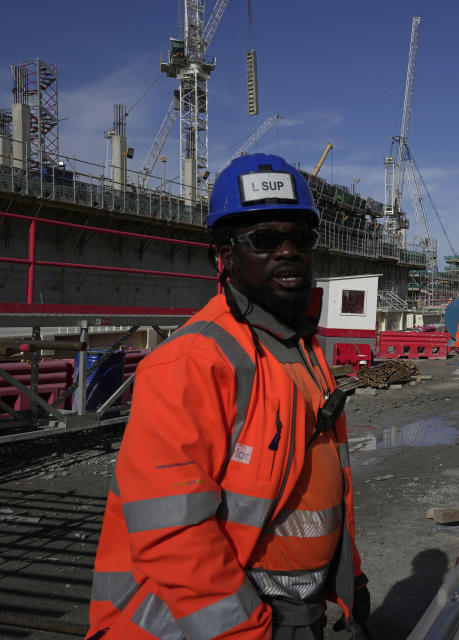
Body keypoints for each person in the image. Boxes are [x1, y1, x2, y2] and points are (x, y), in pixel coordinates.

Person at [86, 154, 369, 639]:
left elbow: (325, 484)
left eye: (298, 238)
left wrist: (349, 577)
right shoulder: (194, 362)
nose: (287, 251)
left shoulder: (301, 348)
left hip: (299, 614)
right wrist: (243, 630)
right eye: (263, 240)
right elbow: (172, 532)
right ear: (226, 254)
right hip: (215, 626)